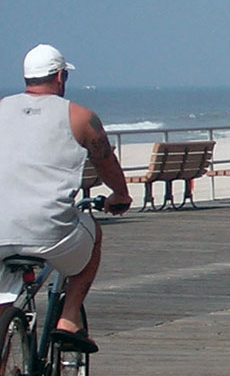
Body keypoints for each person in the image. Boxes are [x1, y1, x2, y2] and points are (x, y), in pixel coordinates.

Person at [0, 44, 132, 354]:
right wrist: (120, 196)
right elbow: (106, 164)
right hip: (49, 232)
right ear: (61, 77)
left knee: (3, 304)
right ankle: (70, 316)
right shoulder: (81, 117)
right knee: (94, 235)